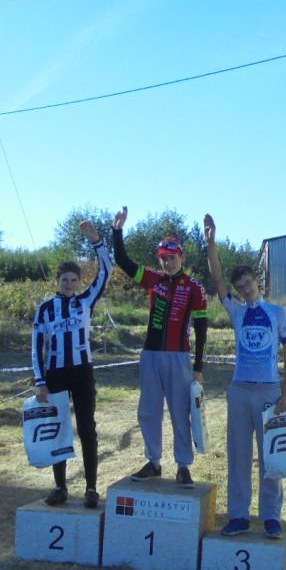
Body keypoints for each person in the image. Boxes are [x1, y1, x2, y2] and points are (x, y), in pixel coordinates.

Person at [204, 214, 286, 539]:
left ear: (257, 280)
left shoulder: (277, 312)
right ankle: (239, 516)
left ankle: (271, 517)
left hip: (269, 391)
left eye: (248, 283)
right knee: (239, 456)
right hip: (240, 390)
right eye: (240, 286)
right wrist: (211, 244)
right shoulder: (237, 311)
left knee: (271, 456)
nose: (244, 289)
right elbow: (217, 280)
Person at [110, 206, 208, 488]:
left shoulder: (195, 288)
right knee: (149, 411)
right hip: (151, 355)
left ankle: (183, 466)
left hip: (179, 356)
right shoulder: (153, 279)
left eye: (172, 258)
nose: (168, 263)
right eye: (164, 258)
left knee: (180, 412)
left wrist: (198, 367)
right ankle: (153, 462)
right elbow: (123, 261)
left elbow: (202, 329)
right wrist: (117, 230)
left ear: (182, 257)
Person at [31, 220, 112, 508]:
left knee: (87, 428)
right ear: (58, 281)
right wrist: (40, 380)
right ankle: (60, 486)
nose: (69, 284)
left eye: (74, 280)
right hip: (55, 374)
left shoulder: (86, 301)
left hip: (82, 372)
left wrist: (96, 241)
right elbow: (36, 347)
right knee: (59, 428)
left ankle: (91, 488)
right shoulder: (45, 309)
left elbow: (106, 271)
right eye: (64, 280)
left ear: (79, 282)